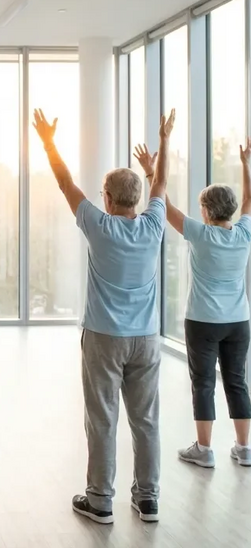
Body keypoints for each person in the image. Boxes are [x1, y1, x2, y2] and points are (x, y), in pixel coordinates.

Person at [34, 108, 175, 525]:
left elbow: (64, 183)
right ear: (139, 199)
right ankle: (147, 499)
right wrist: (164, 142)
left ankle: (101, 499)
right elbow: (162, 183)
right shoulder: (153, 225)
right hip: (146, 338)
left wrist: (48, 141)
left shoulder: (99, 225)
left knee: (103, 419)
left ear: (108, 199)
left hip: (103, 338)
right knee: (146, 420)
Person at [134, 139, 251, 468]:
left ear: (206, 211)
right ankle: (244, 448)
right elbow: (249, 200)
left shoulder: (200, 233)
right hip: (238, 321)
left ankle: (204, 448)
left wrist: (149, 170)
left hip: (202, 321)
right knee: (237, 381)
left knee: (203, 382)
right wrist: (245, 163)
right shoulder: (244, 233)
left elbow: (164, 208)